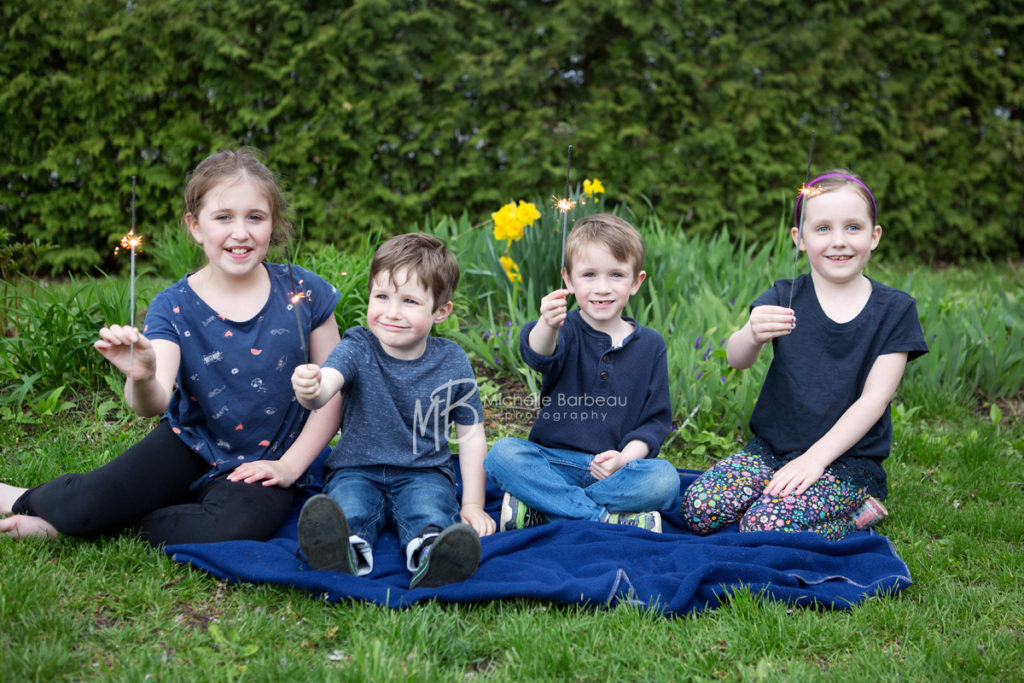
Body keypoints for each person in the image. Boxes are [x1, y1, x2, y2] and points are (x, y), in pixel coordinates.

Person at [0, 148, 343, 545]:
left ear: (273, 223)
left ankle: (105, 527)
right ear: (195, 226)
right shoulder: (173, 305)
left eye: (255, 217)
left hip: (268, 458)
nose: (240, 232)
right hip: (189, 444)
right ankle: (19, 499)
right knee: (86, 507)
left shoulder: (304, 291)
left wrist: (289, 467)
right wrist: (143, 376)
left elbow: (332, 396)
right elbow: (151, 403)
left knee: (236, 529)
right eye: (223, 217)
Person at [682, 169, 928, 540]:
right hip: (772, 449)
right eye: (823, 229)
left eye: (853, 228)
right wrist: (751, 333)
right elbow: (737, 359)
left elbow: (874, 401)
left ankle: (860, 513)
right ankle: (776, 503)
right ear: (800, 238)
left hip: (846, 462)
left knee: (765, 526)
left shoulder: (894, 310)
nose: (839, 242)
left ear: (874, 236)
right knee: (699, 509)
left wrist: (814, 460)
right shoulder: (784, 296)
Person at [286, 233, 494, 589]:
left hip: (423, 471)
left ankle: (433, 555)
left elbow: (471, 434)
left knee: (428, 509)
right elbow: (325, 391)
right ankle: (342, 551)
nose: (392, 312)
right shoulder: (357, 346)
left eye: (410, 301)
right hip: (357, 468)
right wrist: (310, 388)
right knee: (349, 505)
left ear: (441, 311)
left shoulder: (451, 361)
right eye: (381, 297)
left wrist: (473, 503)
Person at [485, 213, 680, 533]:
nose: (602, 288)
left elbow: (654, 422)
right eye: (589, 275)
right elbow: (537, 355)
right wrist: (547, 325)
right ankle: (602, 519)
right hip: (553, 461)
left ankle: (545, 508)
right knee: (503, 455)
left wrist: (624, 459)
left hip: (615, 471)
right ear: (569, 279)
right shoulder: (565, 329)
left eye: (616, 275)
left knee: (665, 480)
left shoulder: (652, 346)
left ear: (636, 282)